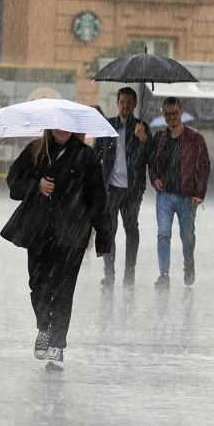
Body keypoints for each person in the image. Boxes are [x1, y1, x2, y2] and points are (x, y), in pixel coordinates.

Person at [3, 128, 110, 368]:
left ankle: (57, 343)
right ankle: (44, 326)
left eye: (67, 126)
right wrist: (36, 184)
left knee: (63, 289)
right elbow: (14, 184)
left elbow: (98, 198)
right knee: (38, 284)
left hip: (71, 234)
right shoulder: (35, 151)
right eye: (57, 125)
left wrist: (104, 234)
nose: (62, 130)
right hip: (38, 231)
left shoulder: (86, 156)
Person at [148, 97, 210, 287]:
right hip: (165, 194)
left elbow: (204, 166)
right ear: (163, 115)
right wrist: (154, 178)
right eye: (167, 114)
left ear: (181, 111)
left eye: (174, 113)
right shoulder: (160, 138)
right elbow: (152, 163)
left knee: (187, 235)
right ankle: (164, 275)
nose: (171, 117)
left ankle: (188, 262)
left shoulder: (195, 139)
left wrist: (199, 193)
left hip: (187, 195)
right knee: (163, 233)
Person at [93, 87, 152, 286]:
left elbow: (149, 157)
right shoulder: (107, 126)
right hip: (111, 188)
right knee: (109, 230)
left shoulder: (142, 127)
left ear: (135, 105)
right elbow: (96, 155)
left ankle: (129, 273)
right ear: (118, 103)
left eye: (129, 102)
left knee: (131, 229)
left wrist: (143, 140)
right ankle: (109, 274)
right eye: (122, 101)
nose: (125, 105)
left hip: (133, 189)